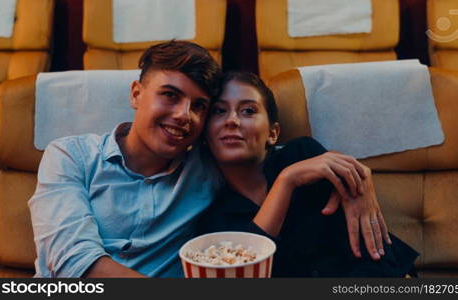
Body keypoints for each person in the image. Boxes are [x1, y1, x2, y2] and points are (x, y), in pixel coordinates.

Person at [29, 40, 392, 278]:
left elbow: (267, 160)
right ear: (137, 94)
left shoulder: (208, 166)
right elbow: (73, 263)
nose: (185, 115)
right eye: (170, 96)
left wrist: (357, 178)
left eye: (200, 106)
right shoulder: (70, 155)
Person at [199, 71, 419, 277]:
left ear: (273, 134)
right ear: (205, 133)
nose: (232, 120)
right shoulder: (215, 215)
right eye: (219, 111)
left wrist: (359, 177)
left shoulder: (303, 155)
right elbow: (251, 272)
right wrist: (287, 182)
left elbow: (368, 245)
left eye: (248, 110)